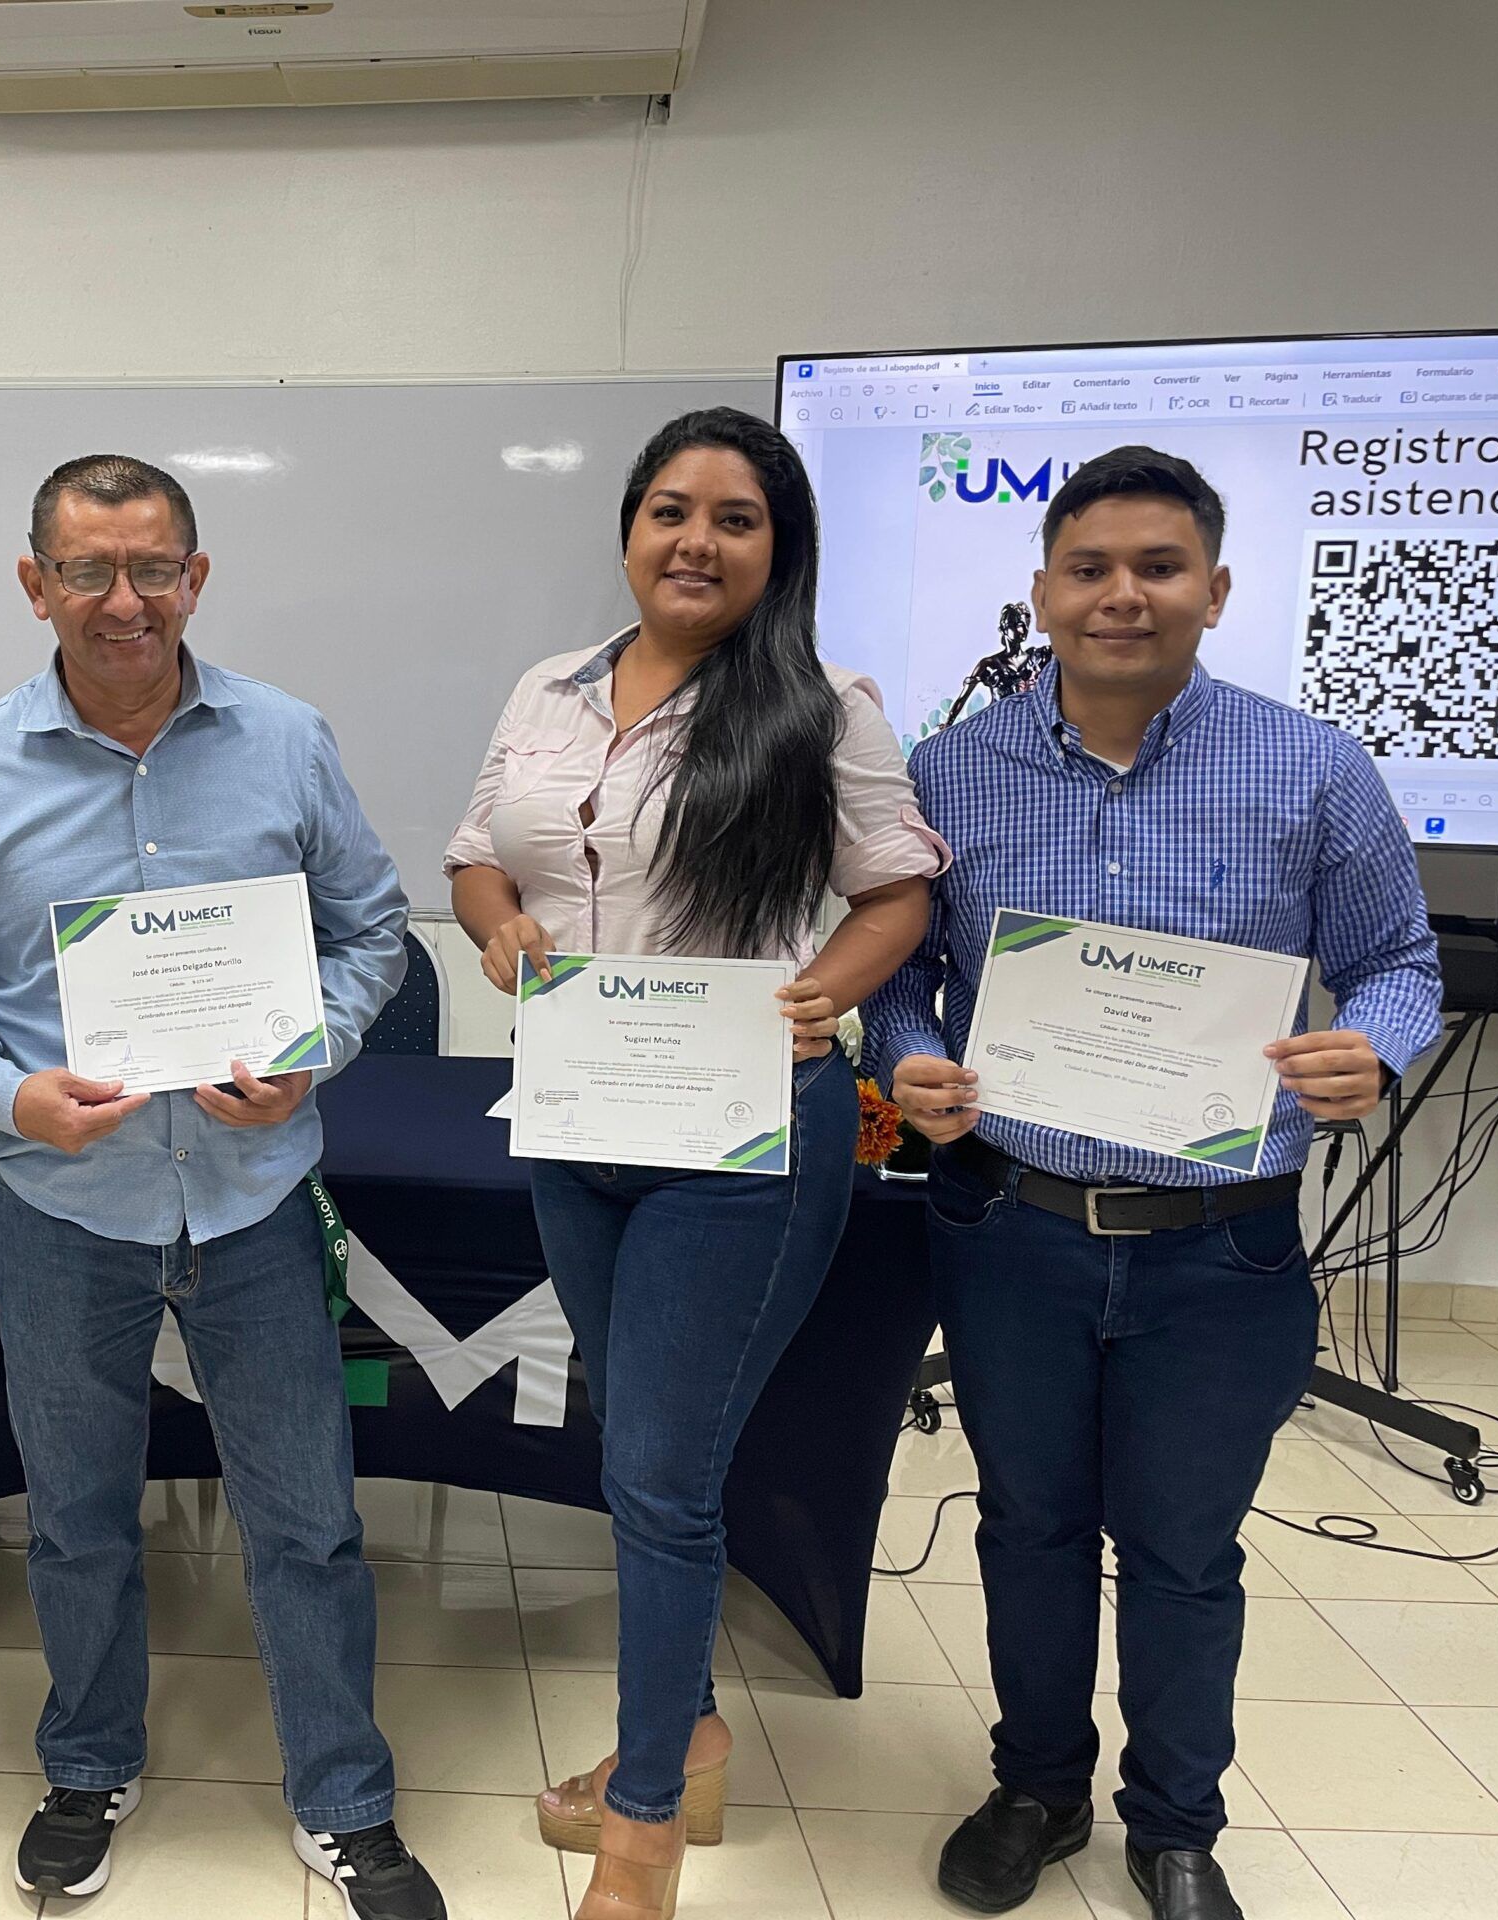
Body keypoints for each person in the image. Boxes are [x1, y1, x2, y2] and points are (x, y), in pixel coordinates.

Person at [866, 447, 1441, 1920]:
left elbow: (1402, 967)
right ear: (1044, 593)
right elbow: (908, 971)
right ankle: (1038, 1787)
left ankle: (1175, 1825)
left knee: (1186, 1552)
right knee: (1028, 1527)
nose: (1124, 595)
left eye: (1159, 568)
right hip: (1014, 1228)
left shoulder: (1312, 767)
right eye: (1091, 569)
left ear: (1215, 591)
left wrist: (1366, 1054)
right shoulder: (954, 768)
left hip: (1219, 1247)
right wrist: (912, 1054)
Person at [0, 454, 444, 1920]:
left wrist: (310, 1048)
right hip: (62, 1206)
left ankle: (344, 1797)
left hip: (253, 1193)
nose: (123, 601)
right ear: (34, 583)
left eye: (152, 570)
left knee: (307, 1515)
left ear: (198, 576)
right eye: (87, 571)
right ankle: (88, 1764)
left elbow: (376, 934)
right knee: (73, 1515)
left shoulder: (288, 741)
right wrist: (13, 1099)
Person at [446, 406, 944, 1920]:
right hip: (580, 1118)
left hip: (741, 1136)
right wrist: (496, 926)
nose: (696, 541)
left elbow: (898, 889)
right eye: (671, 509)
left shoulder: (825, 706)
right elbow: (479, 849)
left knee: (661, 1478)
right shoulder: (548, 687)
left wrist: (828, 994)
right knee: (638, 1454)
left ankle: (647, 1818)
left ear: (777, 547)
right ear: (628, 527)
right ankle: (696, 1734)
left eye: (735, 518)